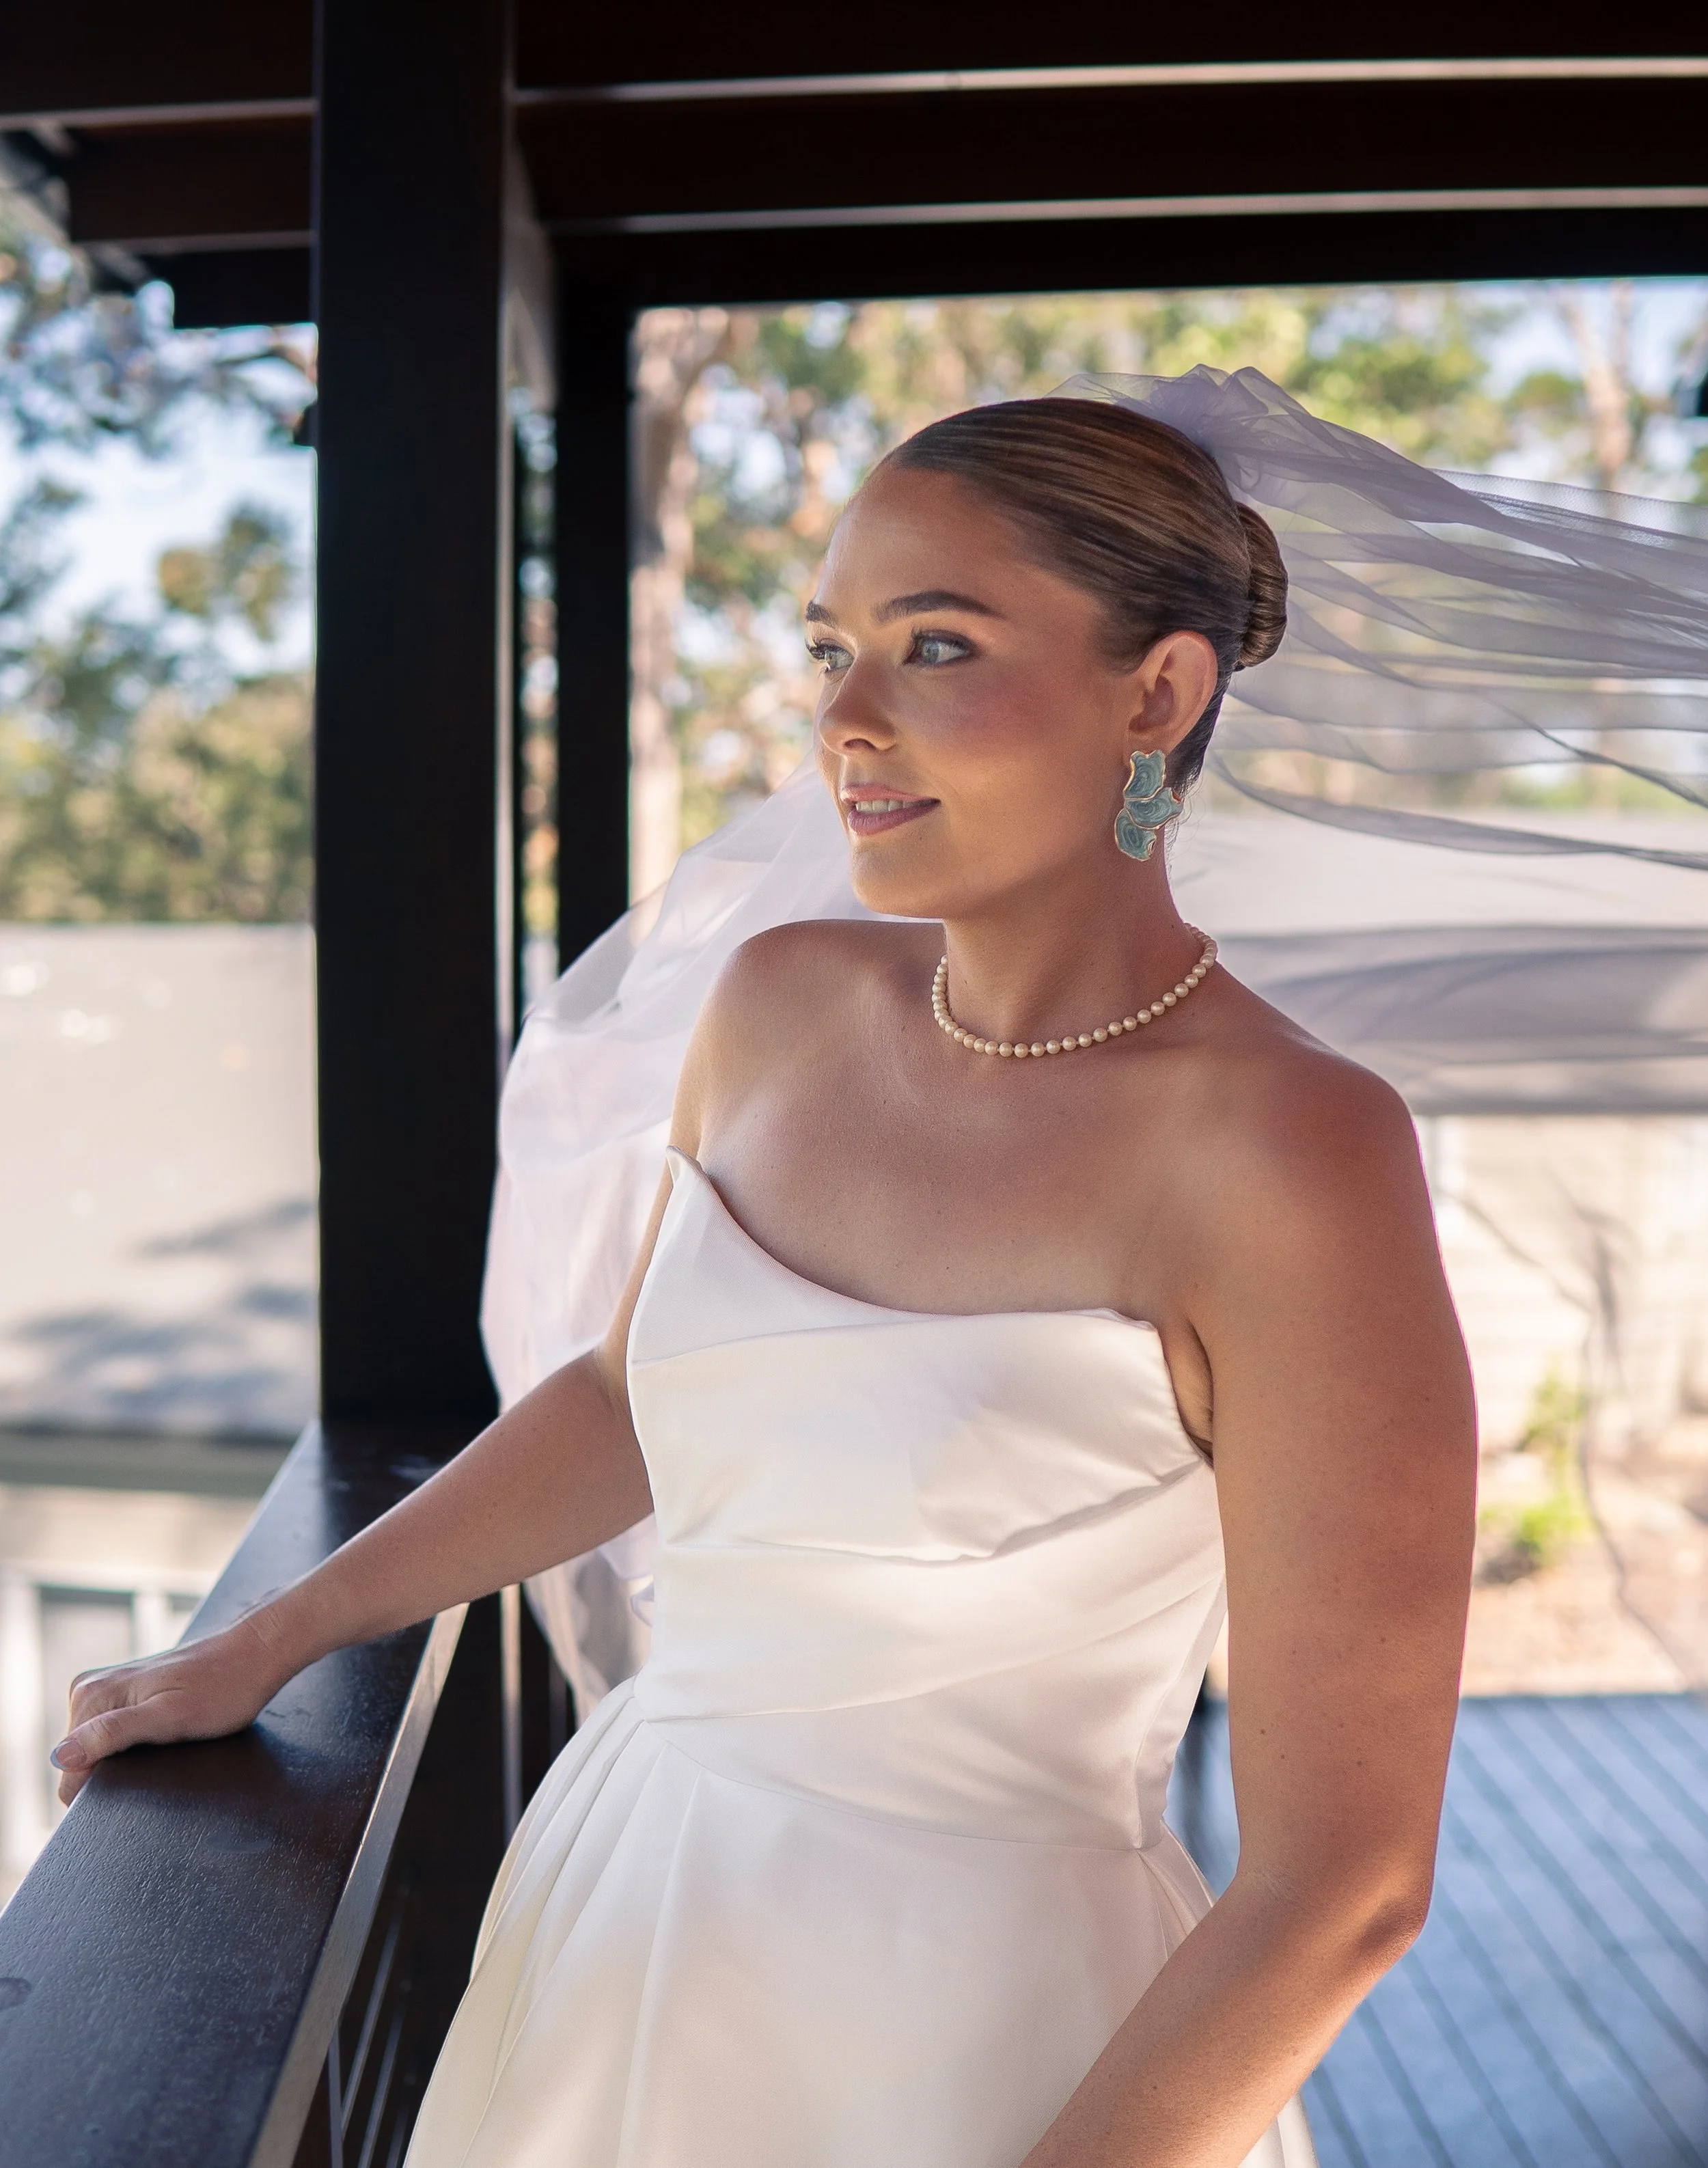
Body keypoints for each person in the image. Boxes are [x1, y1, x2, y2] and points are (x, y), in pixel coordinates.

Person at [53, 391, 1477, 2168]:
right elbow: (630, 1401)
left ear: (1161, 692)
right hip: (623, 1911)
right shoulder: (781, 1003)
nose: (843, 724)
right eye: (828, 649)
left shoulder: (1292, 1154)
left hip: (991, 2037)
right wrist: (260, 1641)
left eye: (932, 645)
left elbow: (1347, 1879)